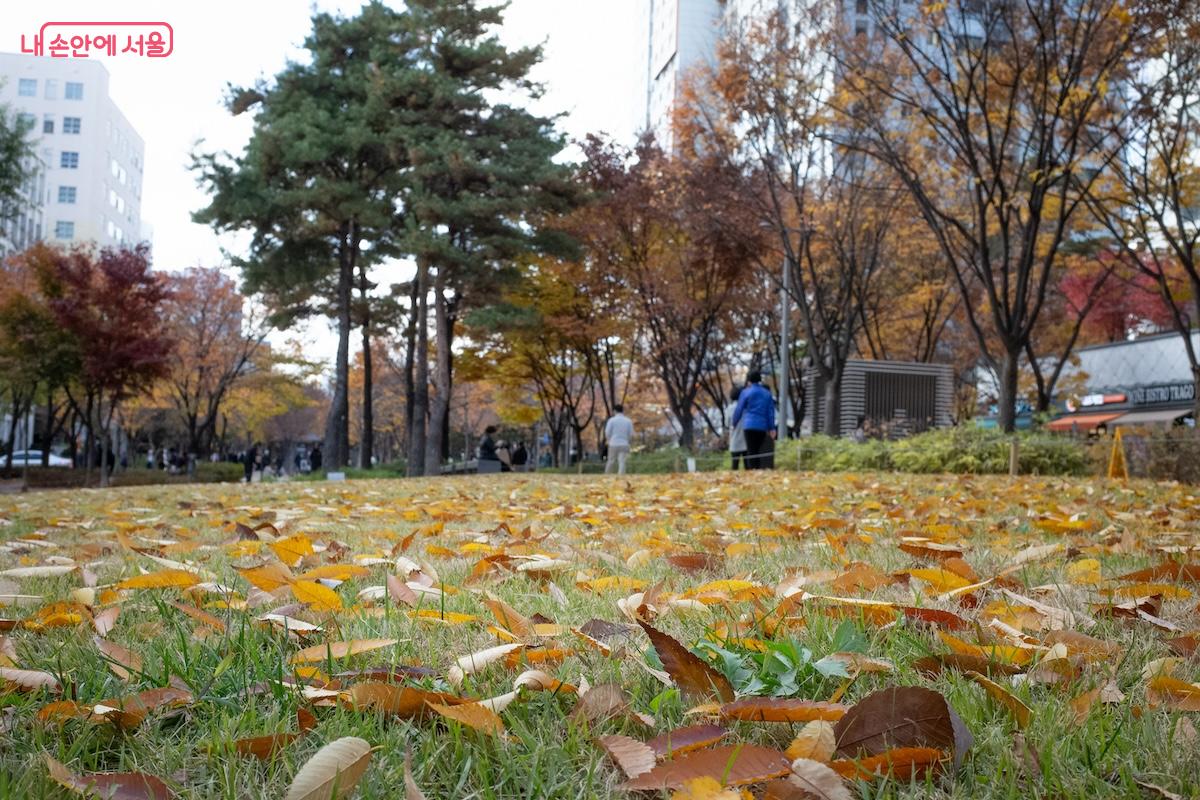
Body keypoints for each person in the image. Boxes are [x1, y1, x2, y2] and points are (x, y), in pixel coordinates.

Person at [732, 370, 776, 470]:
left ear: (749, 380)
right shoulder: (767, 394)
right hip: (762, 426)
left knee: (751, 449)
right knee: (759, 450)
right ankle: (759, 470)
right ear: (760, 380)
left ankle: (752, 471)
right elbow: (770, 412)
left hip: (749, 425)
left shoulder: (746, 392)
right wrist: (772, 428)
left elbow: (739, 409)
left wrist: (734, 422)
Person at [604, 404, 634, 475]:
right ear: (622, 411)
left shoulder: (611, 420)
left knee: (611, 461)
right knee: (622, 461)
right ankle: (621, 476)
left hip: (613, 443)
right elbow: (631, 433)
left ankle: (607, 475)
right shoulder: (628, 421)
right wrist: (628, 440)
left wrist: (609, 439)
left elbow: (607, 432)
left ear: (614, 411)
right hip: (624, 443)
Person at [726, 388, 747, 470]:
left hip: (734, 437)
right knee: (748, 465)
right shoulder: (746, 407)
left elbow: (727, 423)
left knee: (734, 464)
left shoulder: (729, 408)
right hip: (745, 437)